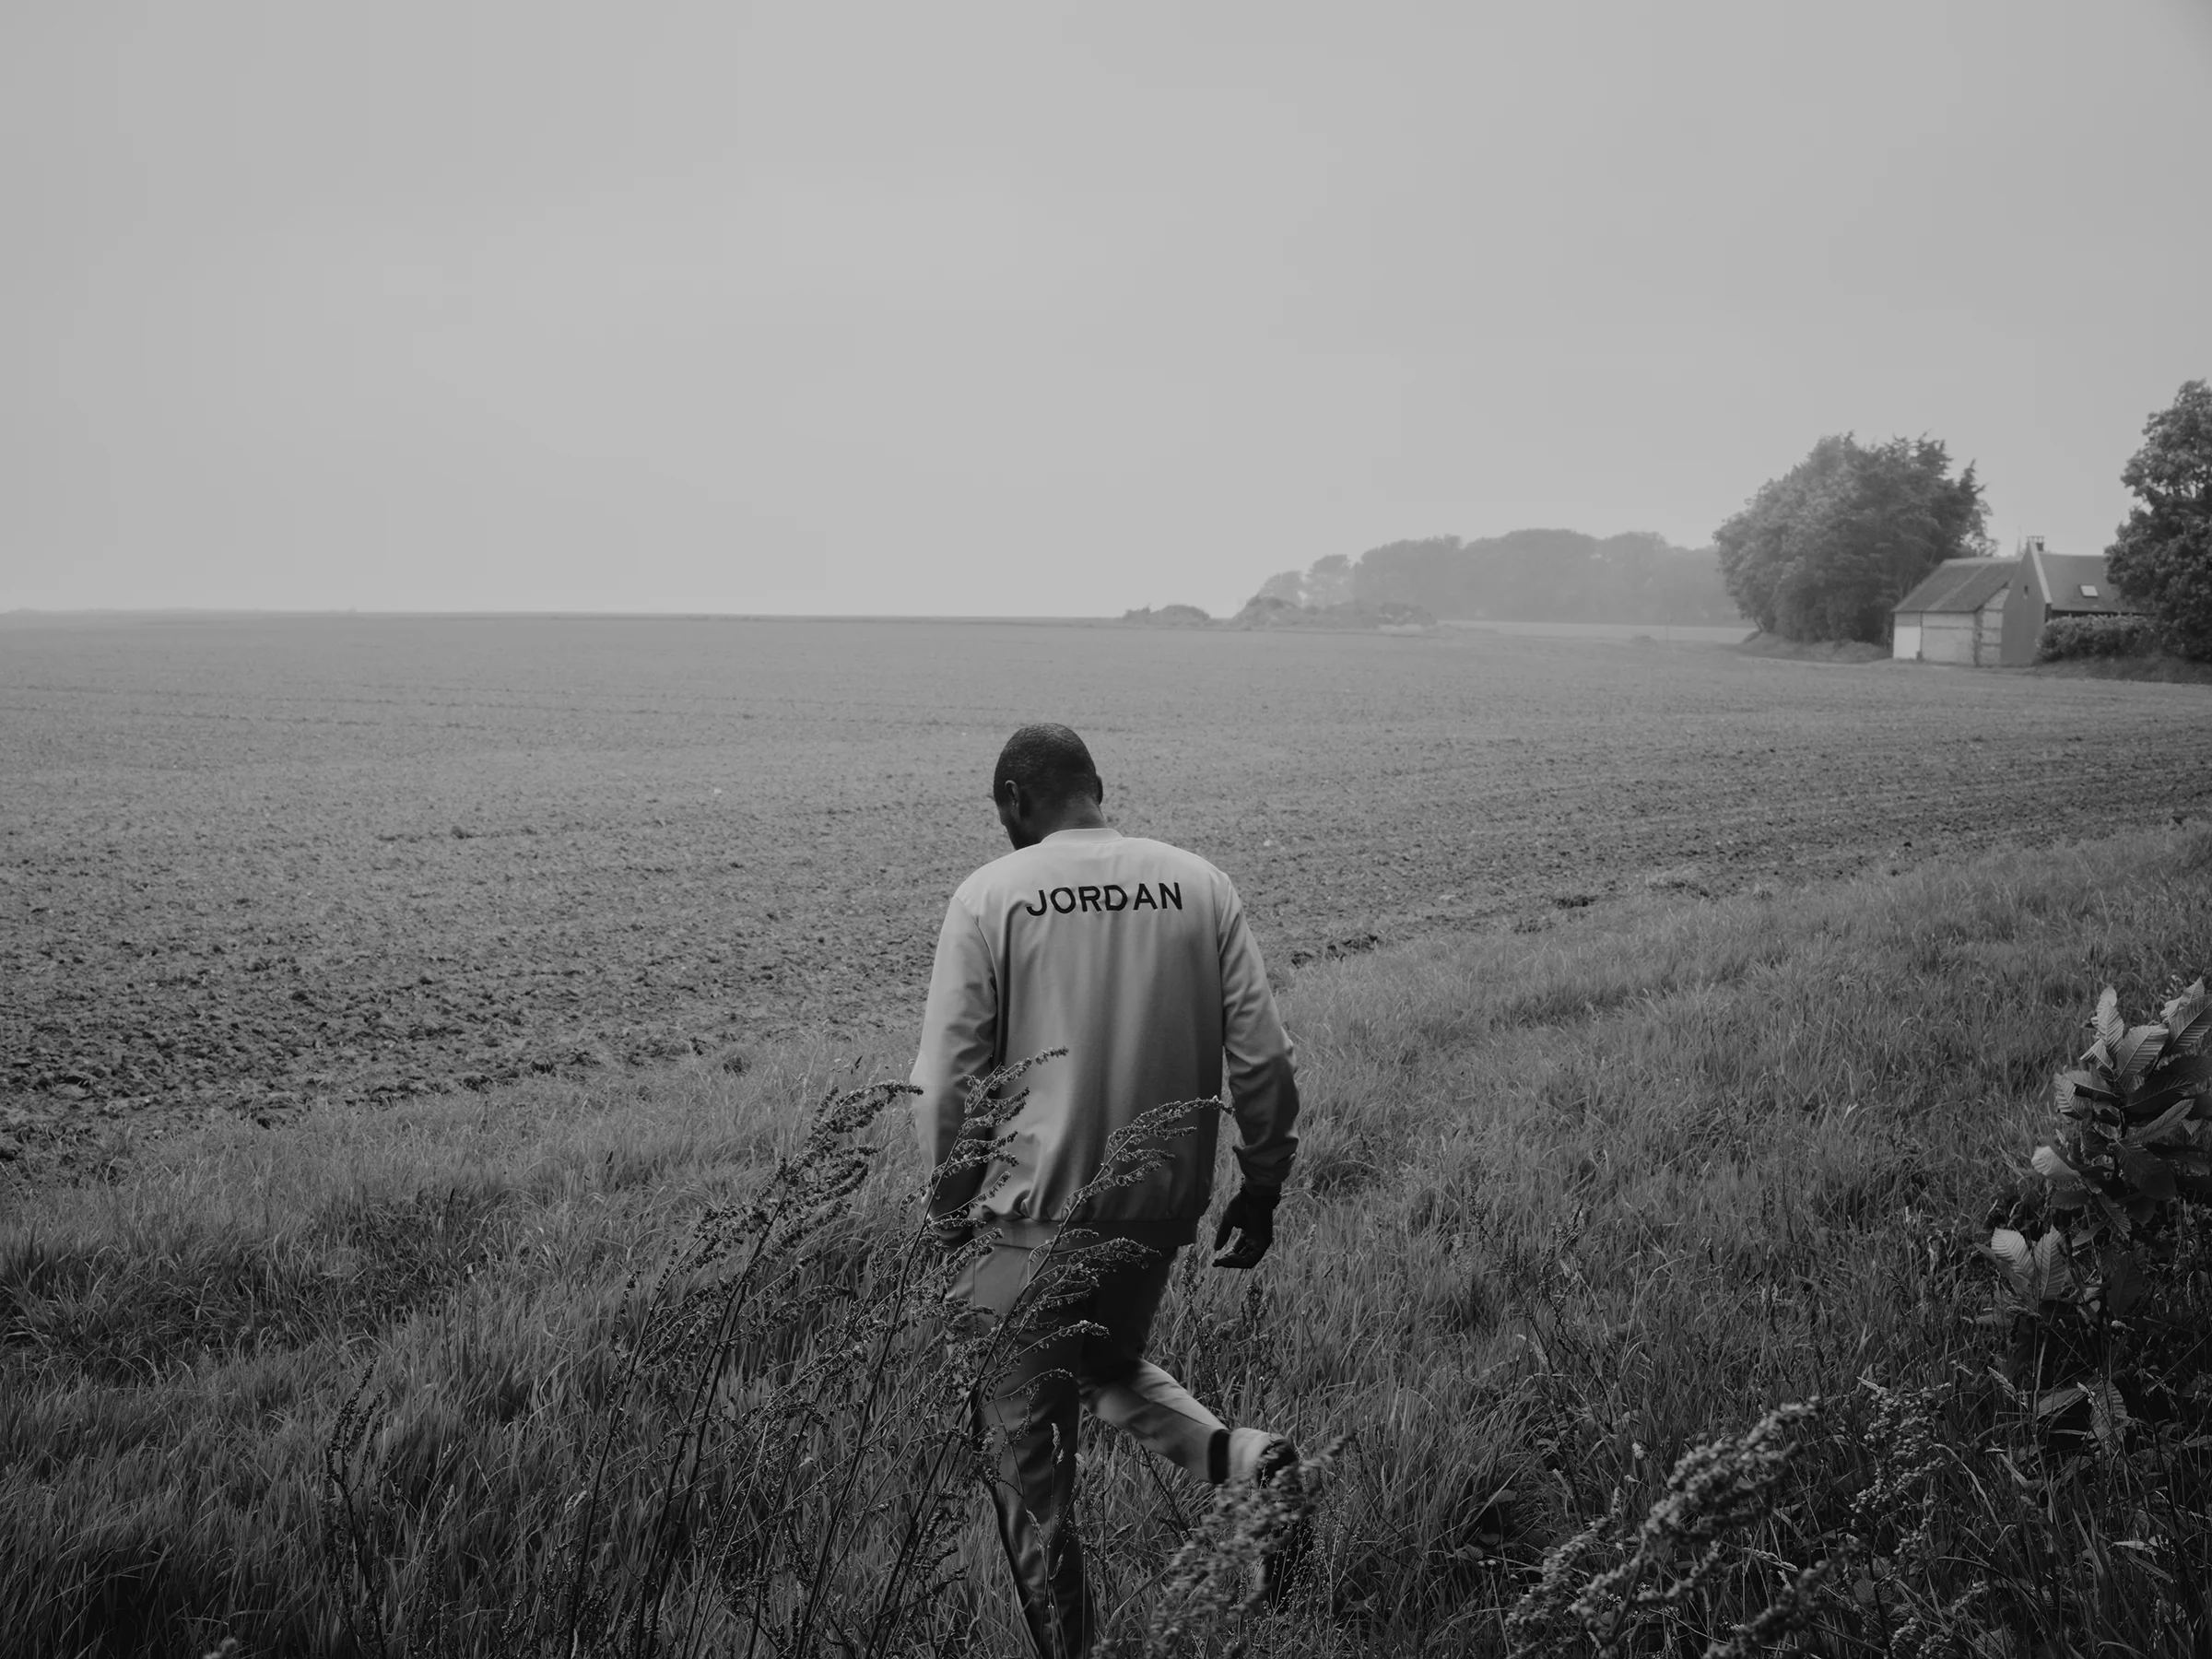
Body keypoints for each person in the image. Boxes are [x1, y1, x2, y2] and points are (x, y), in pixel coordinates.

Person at [910, 722, 1303, 1658]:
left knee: (1022, 1457)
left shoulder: (990, 895)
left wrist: (947, 1207)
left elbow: (950, 1080)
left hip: (1030, 1217)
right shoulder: (1198, 883)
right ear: (1098, 786)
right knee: (1104, 1365)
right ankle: (1245, 1461)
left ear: (1014, 801)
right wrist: (1263, 1182)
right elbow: (1263, 1056)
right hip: (1159, 1207)